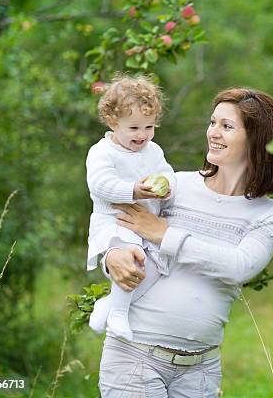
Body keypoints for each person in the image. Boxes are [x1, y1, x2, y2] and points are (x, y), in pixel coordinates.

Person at [97, 87, 273, 397]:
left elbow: (239, 267)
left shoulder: (269, 214)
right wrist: (112, 254)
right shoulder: (175, 185)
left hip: (201, 369)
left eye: (226, 126)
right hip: (134, 356)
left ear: (256, 139)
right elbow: (117, 220)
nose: (214, 133)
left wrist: (164, 233)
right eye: (213, 122)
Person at [85, 74, 176, 342]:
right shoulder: (102, 152)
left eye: (149, 127)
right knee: (132, 259)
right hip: (116, 221)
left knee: (155, 267)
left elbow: (168, 173)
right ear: (113, 122)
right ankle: (118, 316)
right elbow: (100, 185)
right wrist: (133, 190)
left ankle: (110, 304)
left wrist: (168, 186)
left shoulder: (153, 151)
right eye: (134, 128)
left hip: (145, 224)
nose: (143, 135)